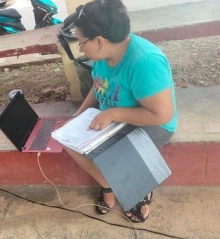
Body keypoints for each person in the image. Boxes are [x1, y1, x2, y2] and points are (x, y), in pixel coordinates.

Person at [63, 0, 178, 223]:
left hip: (151, 122)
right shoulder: (104, 56)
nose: (80, 48)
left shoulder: (145, 62)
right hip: (118, 117)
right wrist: (79, 115)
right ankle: (108, 185)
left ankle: (141, 190)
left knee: (113, 154)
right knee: (70, 143)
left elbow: (162, 115)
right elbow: (99, 87)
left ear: (99, 41)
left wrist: (112, 114)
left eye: (80, 42)